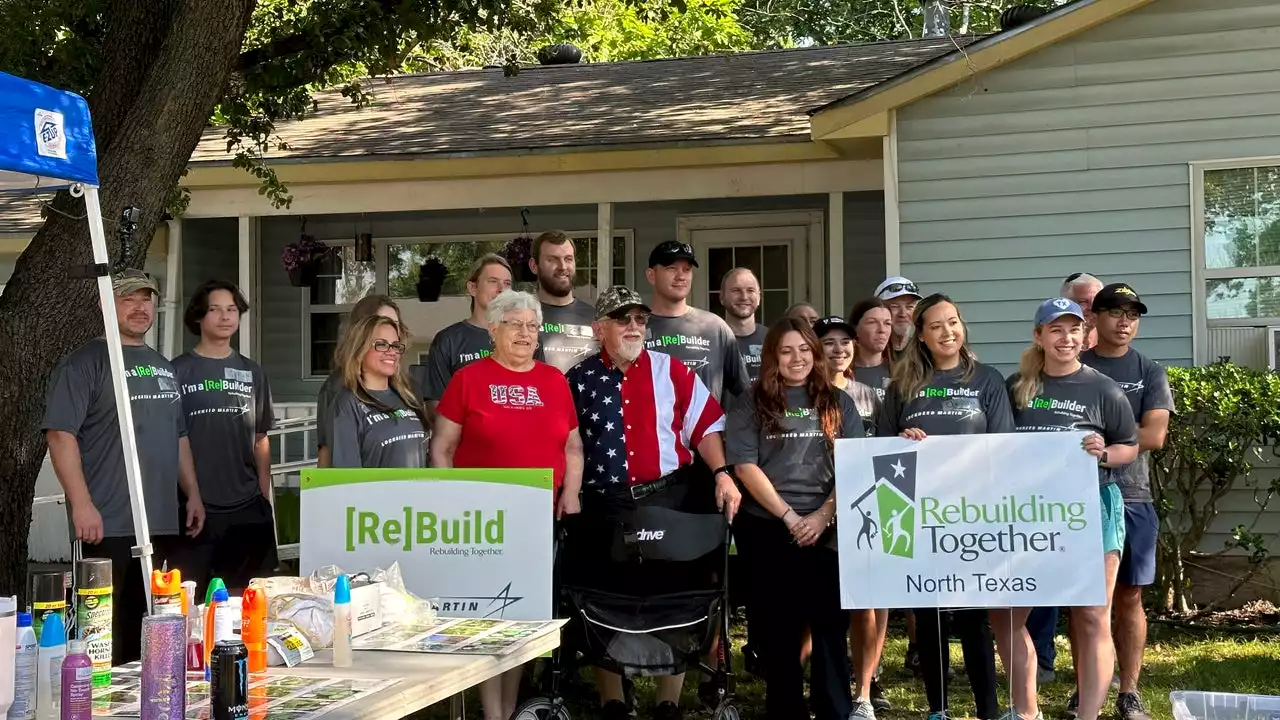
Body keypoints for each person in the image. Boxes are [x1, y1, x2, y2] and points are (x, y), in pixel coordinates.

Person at [566, 285, 742, 720]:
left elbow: (705, 427)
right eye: (622, 319)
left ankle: (668, 702)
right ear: (598, 328)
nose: (633, 327)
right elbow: (565, 444)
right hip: (604, 504)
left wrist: (721, 473)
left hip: (669, 497)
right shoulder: (577, 379)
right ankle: (612, 701)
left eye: (640, 319)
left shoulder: (673, 371)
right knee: (605, 596)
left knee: (675, 594)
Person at [432, 289, 583, 720]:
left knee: (523, 620)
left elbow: (573, 446)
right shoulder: (469, 380)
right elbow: (442, 447)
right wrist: (450, 501)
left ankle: (508, 710)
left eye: (532, 326)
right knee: (486, 619)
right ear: (493, 329)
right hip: (480, 521)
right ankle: (490, 711)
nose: (525, 333)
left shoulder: (554, 381)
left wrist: (570, 492)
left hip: (537, 518)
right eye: (515, 324)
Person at [43, 269, 206, 665]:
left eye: (146, 298)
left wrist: (194, 495)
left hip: (160, 523)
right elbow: (60, 435)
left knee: (149, 626)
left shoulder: (163, 366)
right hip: (107, 523)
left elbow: (179, 436)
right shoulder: (85, 363)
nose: (140, 307)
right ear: (105, 305)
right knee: (101, 635)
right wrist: (81, 504)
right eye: (128, 299)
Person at [1003, 297, 1139, 720]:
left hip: (1092, 507)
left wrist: (1103, 454)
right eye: (1056, 329)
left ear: (1085, 335)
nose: (1066, 337)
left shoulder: (1103, 388)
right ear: (1039, 336)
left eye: (1074, 329)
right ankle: (1027, 711)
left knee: (1093, 614)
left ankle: (1089, 715)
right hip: (1029, 512)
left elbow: (1129, 448)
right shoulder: (1016, 386)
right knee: (1009, 612)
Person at [880, 293, 1012, 720]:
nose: (947, 332)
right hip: (919, 514)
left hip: (971, 512)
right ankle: (938, 708)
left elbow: (1003, 446)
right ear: (921, 334)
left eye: (952, 322)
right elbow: (881, 450)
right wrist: (903, 440)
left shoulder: (987, 380)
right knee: (930, 612)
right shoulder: (902, 385)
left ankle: (987, 711)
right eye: (935, 325)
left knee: (974, 616)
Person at [727, 318, 862, 720]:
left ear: (815, 353)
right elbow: (745, 466)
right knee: (779, 631)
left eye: (804, 349)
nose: (797, 358)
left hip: (829, 527)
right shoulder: (752, 401)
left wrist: (823, 515)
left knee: (830, 630)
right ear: (772, 357)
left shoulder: (839, 403)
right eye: (786, 351)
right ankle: (785, 710)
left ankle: (834, 709)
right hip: (768, 527)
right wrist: (788, 517)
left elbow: (854, 466)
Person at [1080, 284, 1172, 720]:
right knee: (1085, 600)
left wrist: (1104, 434)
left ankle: (1128, 690)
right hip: (1076, 496)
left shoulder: (1149, 371)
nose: (1124, 321)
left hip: (1133, 495)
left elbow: (1155, 435)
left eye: (1132, 314)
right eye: (1114, 312)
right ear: (1093, 318)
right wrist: (1126, 427)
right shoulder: (1074, 366)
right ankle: (1087, 688)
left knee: (1130, 595)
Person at [172, 280, 275, 600]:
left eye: (232, 309)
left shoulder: (253, 372)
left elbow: (261, 438)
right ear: (199, 317)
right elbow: (174, 439)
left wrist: (262, 492)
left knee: (245, 598)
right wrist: (191, 494)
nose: (225, 317)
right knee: (190, 599)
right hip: (193, 507)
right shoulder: (178, 370)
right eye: (215, 309)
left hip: (245, 506)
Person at [811, 315, 886, 715]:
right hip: (814, 511)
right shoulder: (804, 394)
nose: (839, 350)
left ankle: (863, 694)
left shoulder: (870, 395)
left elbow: (888, 443)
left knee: (864, 605)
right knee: (816, 609)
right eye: (829, 342)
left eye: (846, 342)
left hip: (864, 509)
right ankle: (815, 685)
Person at [644, 241, 749, 406]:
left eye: (687, 269)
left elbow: (744, 394)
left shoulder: (715, 328)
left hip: (707, 431)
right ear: (651, 275)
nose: (681, 276)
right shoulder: (634, 328)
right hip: (651, 431)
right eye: (671, 268)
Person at [327, 315, 427, 468]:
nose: (392, 352)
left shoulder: (407, 396)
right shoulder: (347, 403)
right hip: (375, 492)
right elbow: (346, 474)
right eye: (381, 344)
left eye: (395, 345)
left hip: (416, 491)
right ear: (360, 348)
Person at [316, 294, 401, 468]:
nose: (390, 328)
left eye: (395, 323)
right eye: (381, 321)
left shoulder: (406, 385)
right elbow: (327, 449)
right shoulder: (337, 387)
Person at [529, 230, 599, 373]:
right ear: (534, 266)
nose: (562, 267)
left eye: (568, 259)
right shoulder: (521, 316)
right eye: (552, 259)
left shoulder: (597, 317)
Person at [721, 268, 766, 384]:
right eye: (736, 290)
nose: (744, 297)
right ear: (722, 297)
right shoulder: (711, 340)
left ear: (759, 297)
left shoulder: (772, 338)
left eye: (750, 290)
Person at [849, 298, 894, 401]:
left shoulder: (901, 372)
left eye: (887, 323)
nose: (882, 330)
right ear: (855, 328)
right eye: (872, 322)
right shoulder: (841, 373)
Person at [874, 276, 922, 362]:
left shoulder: (924, 350)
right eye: (894, 307)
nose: (903, 314)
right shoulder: (869, 351)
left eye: (910, 307)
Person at [1062, 273, 1104, 352]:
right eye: (1083, 302)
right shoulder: (1058, 344)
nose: (1091, 307)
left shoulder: (1111, 340)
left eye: (1096, 301)